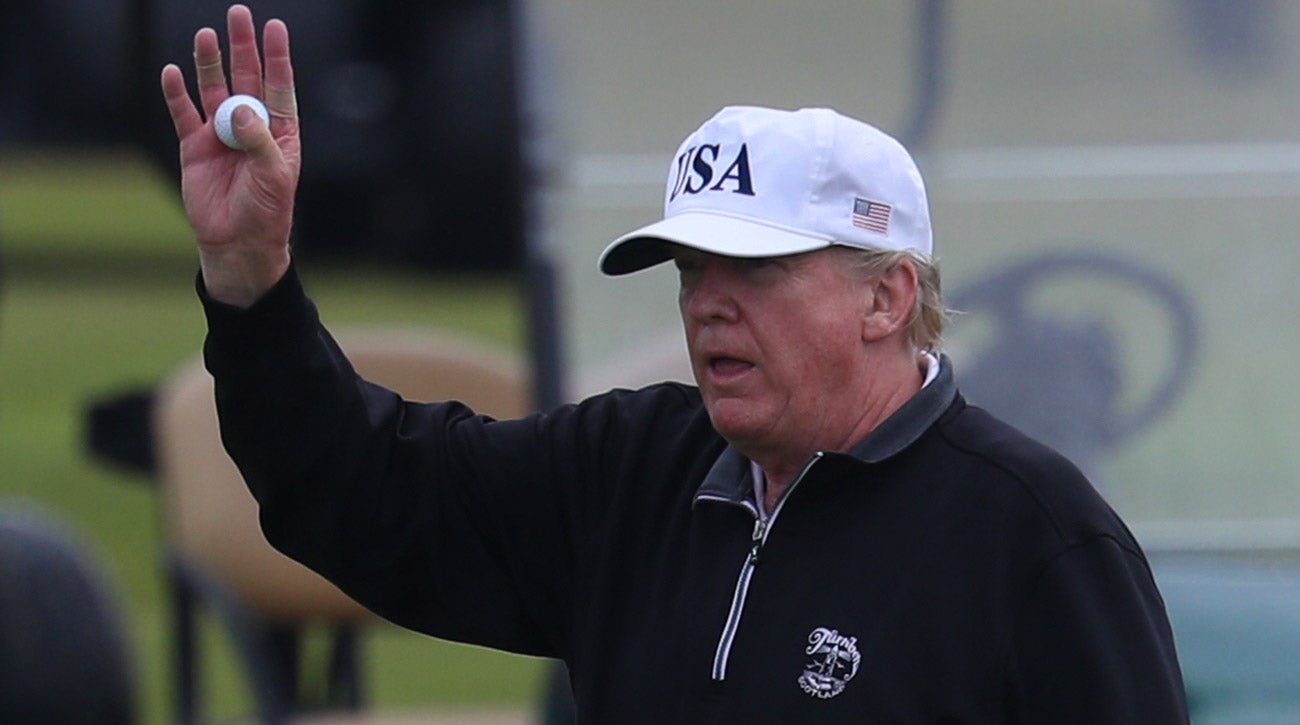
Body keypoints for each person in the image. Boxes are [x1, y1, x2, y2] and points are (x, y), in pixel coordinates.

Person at [161, 5, 1189, 722]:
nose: (706, 303)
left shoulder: (1036, 538)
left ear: (885, 297)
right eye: (692, 269)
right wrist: (251, 278)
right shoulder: (630, 470)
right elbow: (360, 488)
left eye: (756, 269)